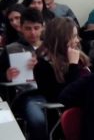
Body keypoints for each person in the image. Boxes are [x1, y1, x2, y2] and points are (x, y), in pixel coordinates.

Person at [0, 8, 47, 140]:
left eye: (36, 28)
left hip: (52, 92)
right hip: (27, 96)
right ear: (20, 28)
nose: (33, 33)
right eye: (28, 28)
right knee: (38, 120)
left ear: (43, 27)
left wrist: (42, 66)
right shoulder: (11, 48)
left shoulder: (49, 47)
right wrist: (6, 76)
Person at [34, 18, 91, 103]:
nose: (78, 40)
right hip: (70, 111)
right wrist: (73, 66)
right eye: (74, 36)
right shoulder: (43, 67)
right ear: (61, 39)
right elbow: (67, 97)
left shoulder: (80, 57)